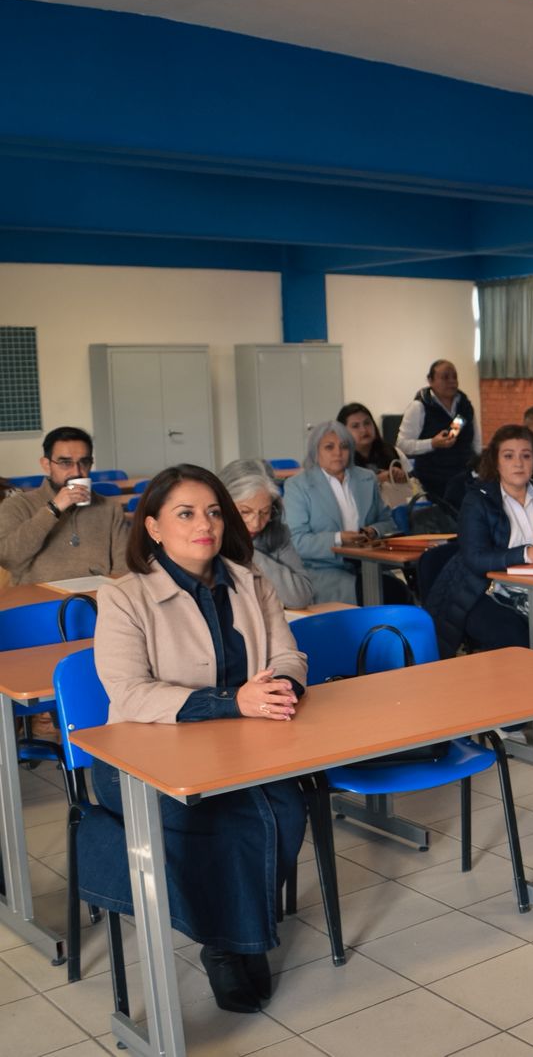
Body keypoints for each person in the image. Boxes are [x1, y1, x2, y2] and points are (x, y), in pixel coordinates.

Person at [89, 464, 306, 1015]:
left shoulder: (251, 581)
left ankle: (237, 937)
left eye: (212, 512)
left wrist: (279, 688)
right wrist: (233, 702)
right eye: (185, 514)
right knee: (227, 816)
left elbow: (288, 654)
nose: (204, 525)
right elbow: (129, 693)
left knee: (286, 804)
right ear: (154, 527)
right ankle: (229, 946)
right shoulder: (123, 598)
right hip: (141, 755)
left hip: (243, 742)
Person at [425, 424, 533, 661]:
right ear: (496, 463)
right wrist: (530, 554)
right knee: (514, 639)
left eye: (526, 456)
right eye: (508, 456)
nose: (518, 463)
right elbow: (475, 558)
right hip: (484, 593)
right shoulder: (477, 500)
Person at [283, 421, 398, 604]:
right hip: (323, 570)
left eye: (344, 446)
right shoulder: (298, 485)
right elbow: (296, 541)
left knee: (399, 592)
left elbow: (388, 522)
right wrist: (338, 539)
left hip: (369, 565)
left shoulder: (367, 478)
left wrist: (373, 531)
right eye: (329, 447)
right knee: (385, 595)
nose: (338, 452)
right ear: (315, 451)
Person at [0, 426, 129, 584]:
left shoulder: (110, 508)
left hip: (98, 595)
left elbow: (123, 568)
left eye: (84, 462)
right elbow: (9, 559)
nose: (77, 472)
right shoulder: (17, 505)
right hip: (39, 596)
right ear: (46, 465)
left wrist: (106, 595)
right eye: (65, 463)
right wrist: (53, 509)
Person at [218, 460, 315, 610]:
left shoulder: (276, 532)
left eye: (265, 512)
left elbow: (300, 597)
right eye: (245, 512)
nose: (256, 524)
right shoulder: (207, 539)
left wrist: (249, 553)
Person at [397, 359, 480, 503]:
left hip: (464, 480)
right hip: (431, 483)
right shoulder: (418, 407)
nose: (452, 381)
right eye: (445, 377)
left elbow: (476, 442)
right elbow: (402, 444)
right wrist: (432, 443)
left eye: (454, 376)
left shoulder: (465, 406)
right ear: (430, 380)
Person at [337, 402, 409, 483]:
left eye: (367, 423)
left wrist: (401, 476)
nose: (363, 430)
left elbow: (413, 483)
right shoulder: (338, 459)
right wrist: (377, 479)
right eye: (355, 426)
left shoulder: (393, 451)